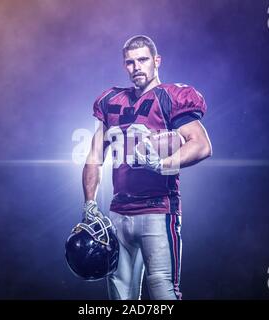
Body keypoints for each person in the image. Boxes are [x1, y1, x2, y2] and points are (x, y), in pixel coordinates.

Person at [82, 35, 212, 300]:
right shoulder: (112, 101)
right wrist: (89, 203)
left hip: (158, 209)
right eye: (130, 62)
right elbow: (94, 156)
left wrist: (163, 164)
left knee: (164, 292)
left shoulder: (170, 97)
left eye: (142, 59)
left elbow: (201, 145)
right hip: (118, 212)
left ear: (156, 60)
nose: (136, 67)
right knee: (120, 296)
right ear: (124, 66)